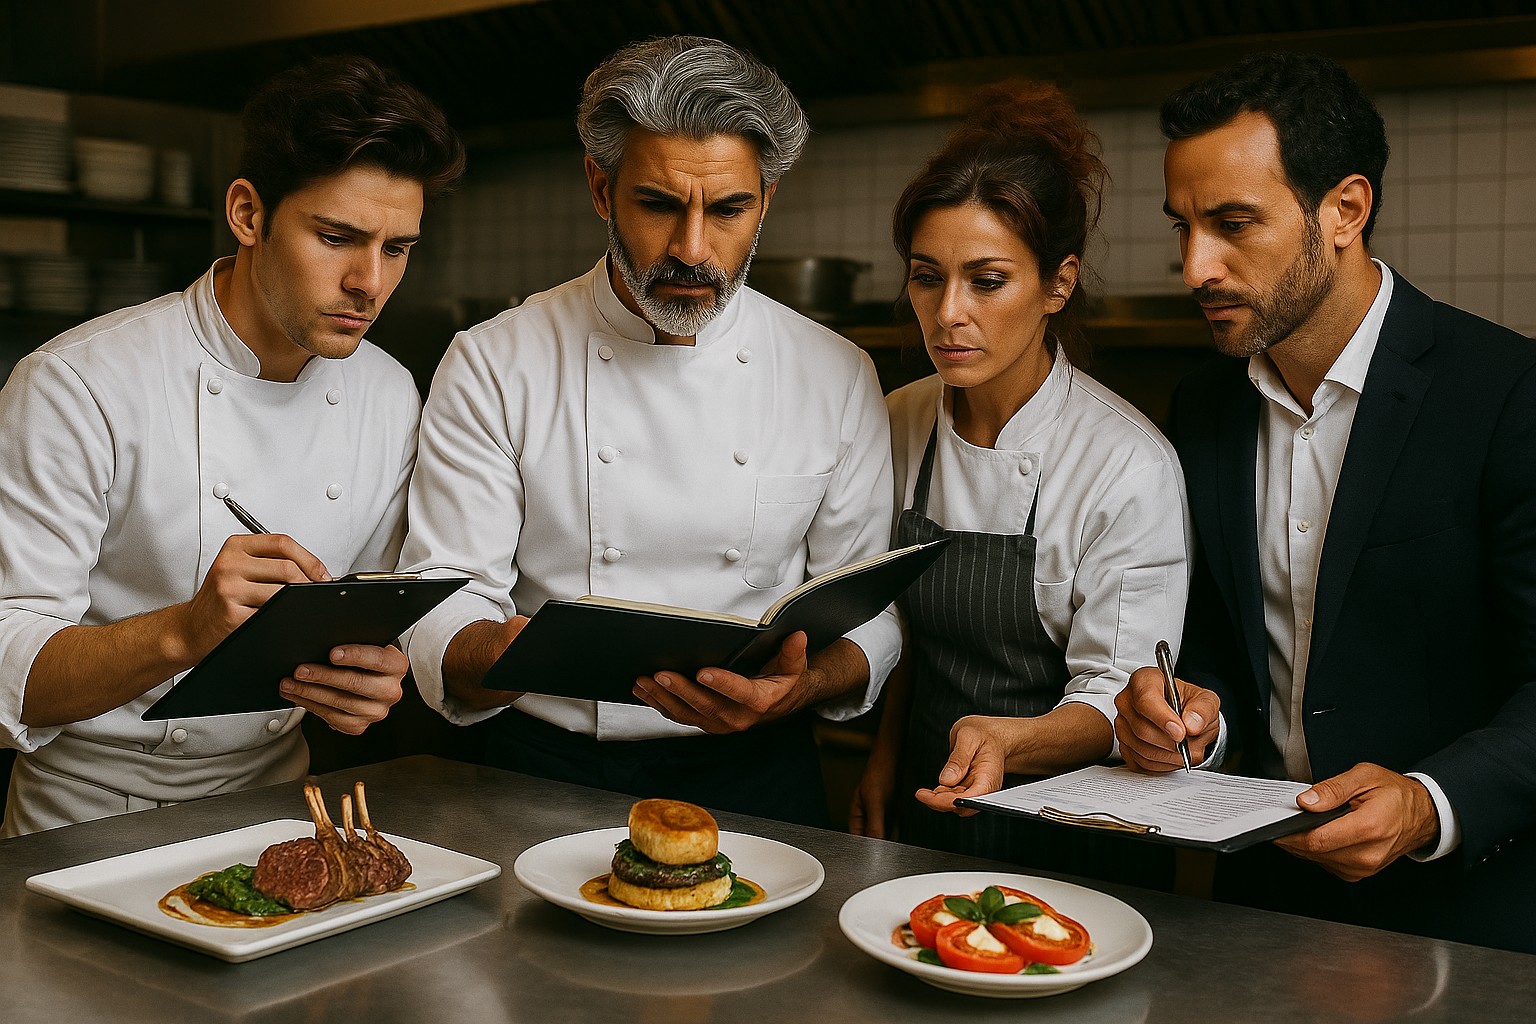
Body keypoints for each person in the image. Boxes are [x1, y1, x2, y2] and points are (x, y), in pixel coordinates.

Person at [398, 36, 900, 826]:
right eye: (659, 204)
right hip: (543, 777)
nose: (692, 250)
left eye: (729, 209)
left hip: (759, 777)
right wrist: (513, 652)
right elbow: (443, 601)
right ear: (601, 188)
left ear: (766, 200)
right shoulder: (495, 361)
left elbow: (866, 611)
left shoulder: (835, 374)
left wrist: (799, 686)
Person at [1115, 52, 1536, 952]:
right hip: (1264, 900)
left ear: (1345, 210)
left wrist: (1430, 804)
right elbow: (1227, 643)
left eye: (1232, 223)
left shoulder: (1508, 395)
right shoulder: (1205, 405)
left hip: (1470, 916)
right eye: (1182, 226)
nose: (1195, 266)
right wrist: (1194, 714)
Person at [0, 56, 466, 837]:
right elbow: (7, 657)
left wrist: (371, 677)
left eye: (397, 248)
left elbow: (378, 608)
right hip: (81, 822)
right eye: (337, 236)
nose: (369, 283)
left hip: (280, 809)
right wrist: (185, 630)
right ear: (248, 214)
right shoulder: (76, 383)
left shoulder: (388, 392)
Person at [847, 82, 1190, 885]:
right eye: (927, 277)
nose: (947, 313)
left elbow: (1119, 695)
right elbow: (897, 622)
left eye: (987, 280)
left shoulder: (1125, 463)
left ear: (1058, 284)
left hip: (1074, 822)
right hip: (925, 798)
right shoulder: (897, 422)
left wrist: (1007, 739)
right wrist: (882, 760)